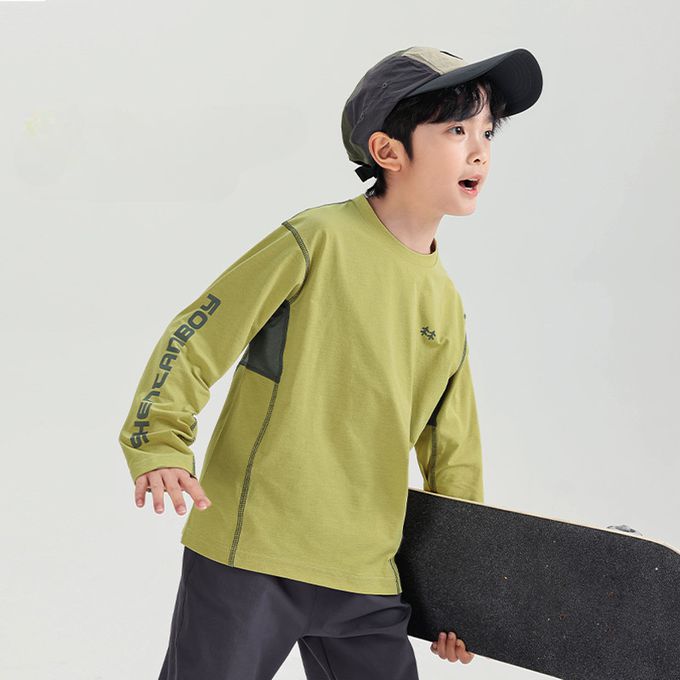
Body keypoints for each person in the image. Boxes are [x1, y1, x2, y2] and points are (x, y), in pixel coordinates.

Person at [118, 45, 542, 680]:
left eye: (487, 131)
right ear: (388, 151)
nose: (480, 150)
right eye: (457, 130)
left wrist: (459, 591)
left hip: (365, 577)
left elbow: (453, 451)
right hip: (251, 554)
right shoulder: (316, 239)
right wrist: (159, 443)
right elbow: (199, 334)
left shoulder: (446, 304)